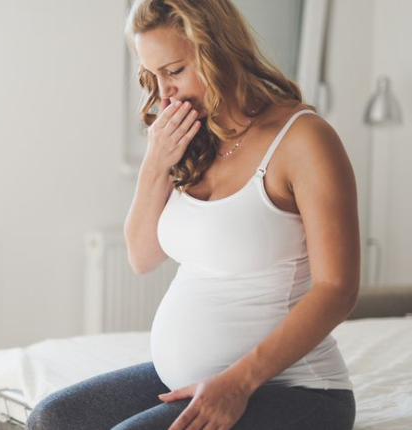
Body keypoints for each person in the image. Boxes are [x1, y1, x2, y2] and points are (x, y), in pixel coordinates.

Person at [26, 0, 359, 429]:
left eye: (174, 71)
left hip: (294, 391)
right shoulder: (196, 139)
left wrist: (237, 383)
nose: (164, 93)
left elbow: (338, 289)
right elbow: (142, 258)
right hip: (196, 380)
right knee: (52, 419)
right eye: (153, 76)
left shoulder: (304, 141)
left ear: (218, 51)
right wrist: (155, 163)